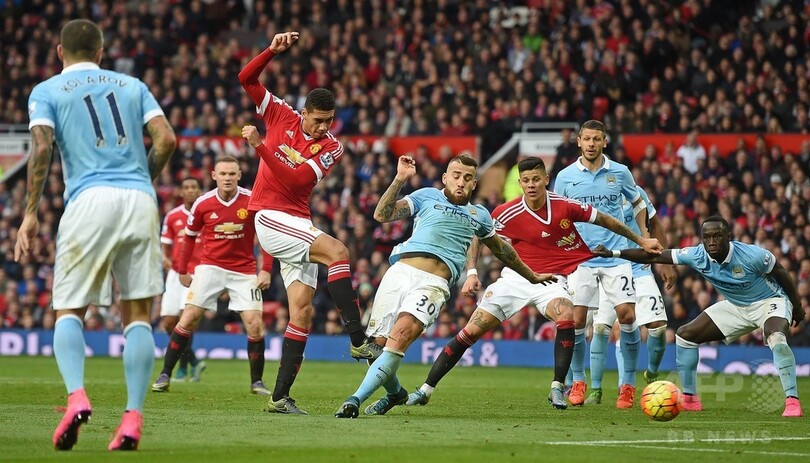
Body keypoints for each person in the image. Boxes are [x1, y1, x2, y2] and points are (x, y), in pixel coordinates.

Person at [15, 19, 176, 451]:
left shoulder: (47, 90)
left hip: (88, 199)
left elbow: (42, 147)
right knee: (137, 313)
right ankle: (132, 419)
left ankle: (77, 397)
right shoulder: (132, 85)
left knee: (69, 309)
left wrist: (30, 213)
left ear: (59, 51)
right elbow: (165, 139)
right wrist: (141, 180)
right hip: (139, 199)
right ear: (101, 52)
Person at [405, 157, 662, 409]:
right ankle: (426, 389)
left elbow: (606, 219)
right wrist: (472, 271)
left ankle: (557, 388)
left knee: (567, 315)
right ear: (520, 183)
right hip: (516, 278)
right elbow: (479, 233)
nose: (531, 185)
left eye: (536, 179)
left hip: (550, 280)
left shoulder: (565, 206)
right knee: (471, 331)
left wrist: (641, 240)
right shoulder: (507, 211)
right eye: (526, 180)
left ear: (546, 180)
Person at [334, 154, 556, 419]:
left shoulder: (479, 215)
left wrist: (531, 276)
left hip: (434, 284)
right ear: (445, 178)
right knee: (377, 347)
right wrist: (400, 179)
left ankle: (354, 400)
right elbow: (381, 214)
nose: (461, 182)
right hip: (399, 273)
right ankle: (395, 393)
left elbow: (503, 251)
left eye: (467, 178)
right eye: (456, 176)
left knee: (400, 336)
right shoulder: (426, 195)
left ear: (474, 184)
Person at [238, 30, 374, 415]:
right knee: (338, 251)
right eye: (318, 120)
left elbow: (297, 180)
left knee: (301, 311)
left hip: (295, 221)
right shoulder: (279, 113)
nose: (323, 128)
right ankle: (358, 339)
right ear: (304, 113)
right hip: (270, 216)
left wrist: (260, 146)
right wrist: (270, 51)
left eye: (329, 121)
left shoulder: (332, 146)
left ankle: (279, 397)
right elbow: (246, 79)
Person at [595, 216, 806, 417]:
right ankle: (689, 399)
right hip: (737, 306)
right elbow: (655, 255)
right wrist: (614, 253)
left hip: (770, 301)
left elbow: (781, 272)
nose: (711, 241)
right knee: (685, 335)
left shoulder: (753, 255)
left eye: (717, 236)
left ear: (728, 237)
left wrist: (797, 306)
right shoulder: (697, 255)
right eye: (707, 237)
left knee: (776, 337)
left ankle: (792, 401)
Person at [151, 157, 273, 395]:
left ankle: (256, 382)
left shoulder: (252, 201)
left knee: (255, 324)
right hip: (210, 267)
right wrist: (183, 270)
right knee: (188, 318)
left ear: (239, 175)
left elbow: (266, 237)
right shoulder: (203, 203)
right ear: (214, 176)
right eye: (223, 174)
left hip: (244, 270)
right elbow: (189, 237)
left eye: (232, 174)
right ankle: (165, 374)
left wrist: (266, 269)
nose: (227, 178)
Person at [553, 119, 652, 409]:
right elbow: (558, 216)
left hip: (615, 255)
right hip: (581, 258)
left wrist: (644, 236)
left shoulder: (620, 172)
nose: (592, 144)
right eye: (587, 139)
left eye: (597, 139)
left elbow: (638, 203)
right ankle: (578, 380)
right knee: (577, 320)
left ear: (605, 142)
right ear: (579, 141)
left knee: (627, 316)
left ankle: (628, 385)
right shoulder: (565, 177)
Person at [585, 185, 676, 405]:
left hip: (639, 268)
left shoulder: (636, 193)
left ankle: (651, 372)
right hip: (611, 267)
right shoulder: (594, 193)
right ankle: (596, 389)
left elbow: (655, 224)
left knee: (658, 326)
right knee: (601, 327)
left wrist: (665, 262)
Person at [159, 177, 206, 382]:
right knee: (168, 322)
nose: (190, 190)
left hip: (197, 274)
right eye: (186, 187)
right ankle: (194, 361)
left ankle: (182, 369)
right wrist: (165, 258)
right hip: (175, 273)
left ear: (199, 191)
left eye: (194, 187)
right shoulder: (172, 216)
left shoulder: (207, 213)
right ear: (180, 192)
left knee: (184, 318)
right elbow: (165, 244)